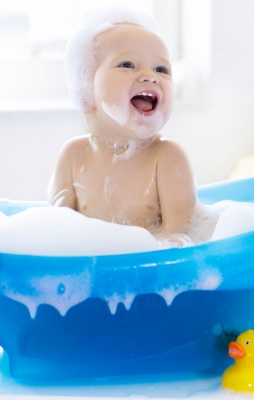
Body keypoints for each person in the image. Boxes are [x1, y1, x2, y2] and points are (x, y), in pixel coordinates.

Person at [48, 7, 196, 246]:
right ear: (85, 89)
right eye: (127, 64)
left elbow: (180, 239)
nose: (150, 76)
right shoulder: (73, 156)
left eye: (161, 69)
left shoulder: (167, 158)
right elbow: (56, 233)